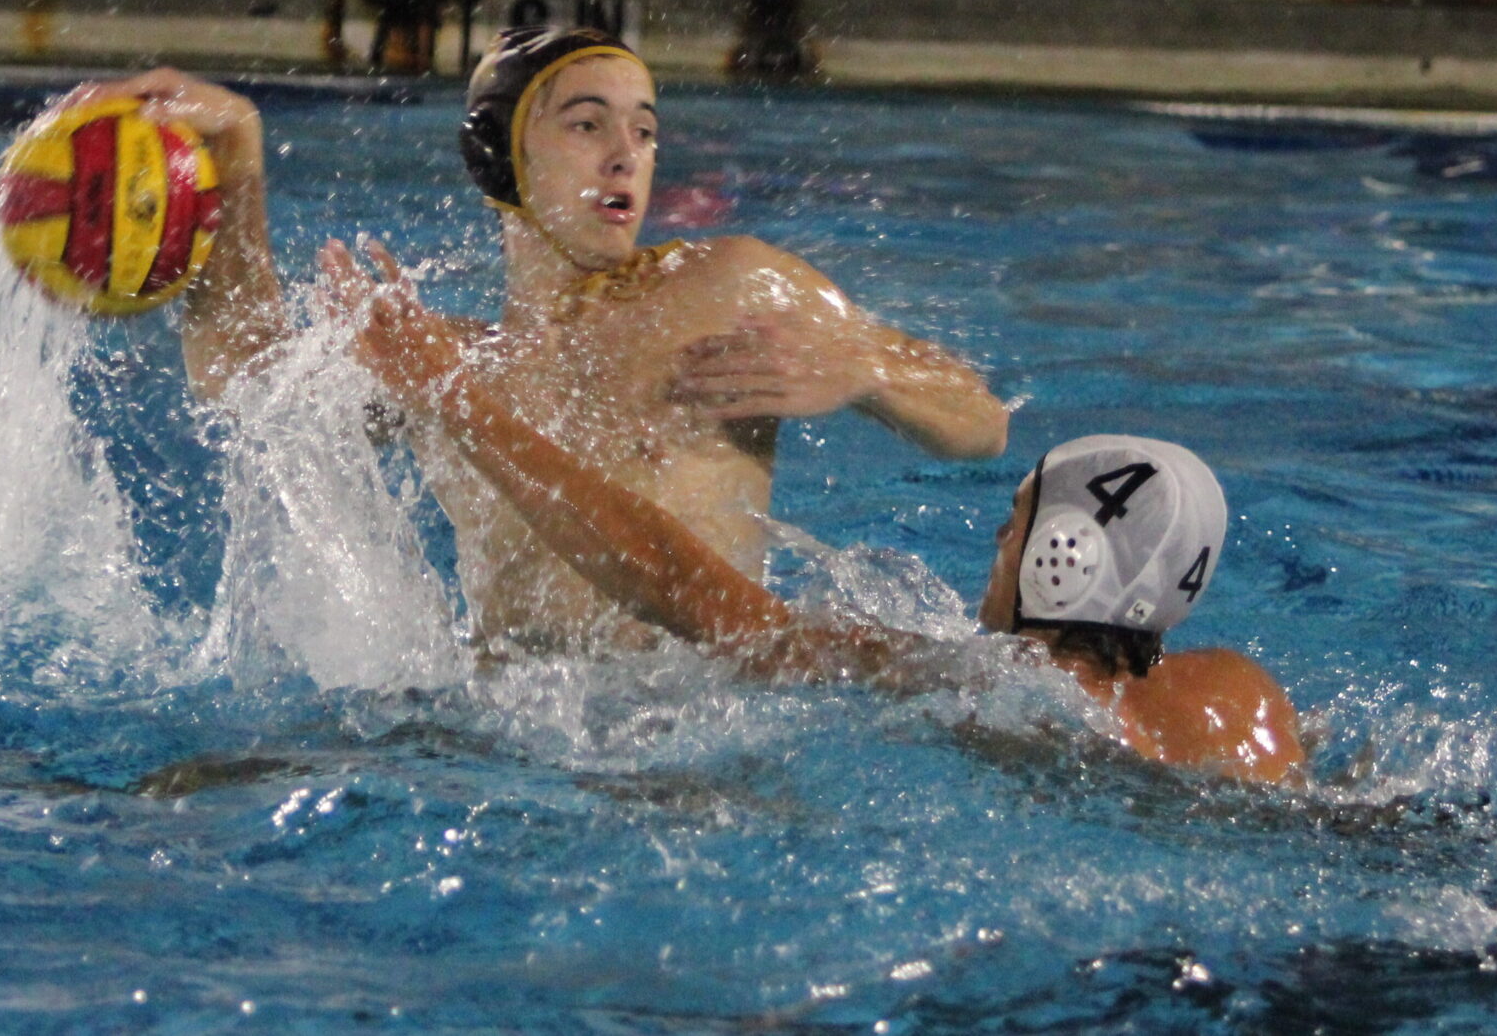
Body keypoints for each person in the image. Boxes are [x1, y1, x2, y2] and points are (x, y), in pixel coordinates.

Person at [55, 32, 1009, 656]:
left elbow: (982, 423)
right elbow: (245, 381)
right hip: (508, 736)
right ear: (495, 155)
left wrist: (867, 369)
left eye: (643, 132)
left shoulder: (726, 284)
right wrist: (237, 160)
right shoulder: (441, 358)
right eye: (585, 125)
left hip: (688, 735)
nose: (624, 155)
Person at [317, 238, 1303, 784]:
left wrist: (456, 401)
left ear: (1060, 558)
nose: (996, 545)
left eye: (1015, 526)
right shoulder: (1243, 701)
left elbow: (669, 578)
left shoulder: (967, 690)